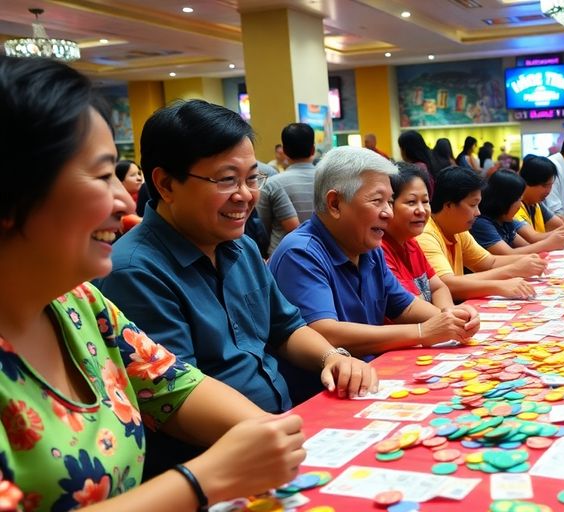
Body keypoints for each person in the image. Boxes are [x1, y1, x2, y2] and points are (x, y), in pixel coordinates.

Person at [0, 55, 313, 512]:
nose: (124, 198)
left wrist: (273, 437)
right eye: (103, 174)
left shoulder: (80, 303)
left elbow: (175, 387)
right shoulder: (131, 269)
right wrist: (203, 478)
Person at [97, 99, 377, 474]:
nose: (245, 195)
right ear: (165, 184)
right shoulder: (135, 270)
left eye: (251, 178)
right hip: (215, 464)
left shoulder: (241, 247)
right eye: (226, 180)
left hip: (281, 431)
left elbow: (286, 327)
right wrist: (278, 433)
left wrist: (333, 358)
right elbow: (176, 396)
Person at [269, 147, 479, 359]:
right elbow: (324, 332)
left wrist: (452, 318)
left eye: (389, 201)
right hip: (324, 387)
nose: (388, 212)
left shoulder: (369, 248)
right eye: (377, 201)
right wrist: (421, 332)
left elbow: (404, 307)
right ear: (335, 204)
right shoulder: (300, 253)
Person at [417, 166, 546, 301]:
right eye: (473, 205)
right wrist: (510, 272)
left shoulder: (458, 230)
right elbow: (446, 284)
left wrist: (526, 261)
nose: (478, 212)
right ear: (448, 205)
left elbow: (489, 262)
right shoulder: (426, 235)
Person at [382, 163, 466, 310]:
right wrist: (449, 318)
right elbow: (410, 306)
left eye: (425, 201)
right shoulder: (380, 250)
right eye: (411, 202)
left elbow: (439, 287)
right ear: (388, 204)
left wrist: (449, 312)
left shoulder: (411, 243)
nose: (421, 210)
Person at [469, 170, 564, 255]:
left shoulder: (506, 220)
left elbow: (527, 247)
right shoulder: (481, 223)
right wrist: (548, 243)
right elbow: (508, 254)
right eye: (519, 200)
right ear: (504, 201)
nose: (520, 205)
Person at [256, 123, 318, 254]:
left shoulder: (272, 184)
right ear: (313, 149)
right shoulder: (328, 180)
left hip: (282, 254)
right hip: (323, 254)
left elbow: (262, 228)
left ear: (284, 151)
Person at [513, 155, 564, 242]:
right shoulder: (514, 206)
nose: (548, 191)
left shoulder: (537, 204)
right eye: (544, 185)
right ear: (526, 182)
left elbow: (559, 225)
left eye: (550, 185)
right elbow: (533, 237)